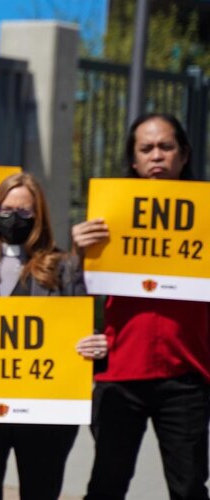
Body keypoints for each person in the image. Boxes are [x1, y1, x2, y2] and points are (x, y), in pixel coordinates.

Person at [0, 172, 105, 500]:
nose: (14, 219)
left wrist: (92, 343)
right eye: (6, 210)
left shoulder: (65, 267)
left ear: (39, 216)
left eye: (25, 212)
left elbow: (82, 328)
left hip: (45, 412)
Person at [73, 113, 210, 500]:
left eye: (166, 147)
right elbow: (70, 292)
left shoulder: (207, 216)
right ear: (133, 161)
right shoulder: (107, 216)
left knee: (188, 489)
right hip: (119, 373)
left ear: (183, 155)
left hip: (186, 374)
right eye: (146, 148)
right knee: (106, 486)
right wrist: (77, 252)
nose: (156, 157)